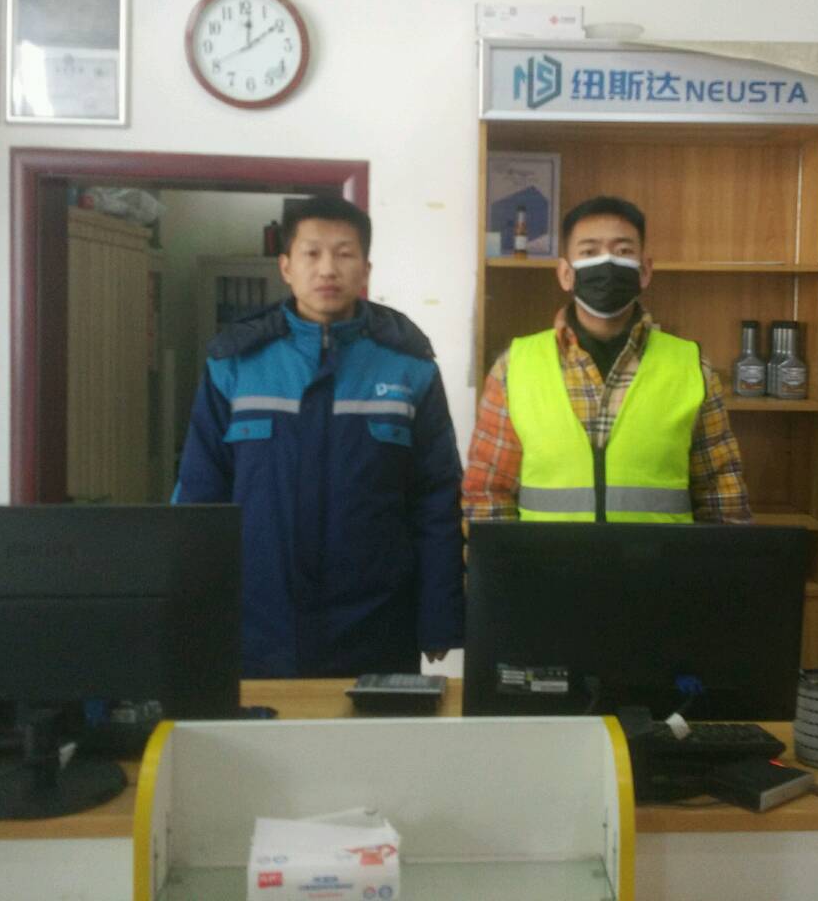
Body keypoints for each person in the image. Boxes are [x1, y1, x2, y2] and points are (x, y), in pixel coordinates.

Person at [174, 195, 464, 677]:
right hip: (257, 618)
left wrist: (439, 615)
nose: (327, 268)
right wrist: (191, 612)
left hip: (378, 619)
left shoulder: (409, 367)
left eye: (344, 254)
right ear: (286, 266)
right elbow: (199, 496)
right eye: (311, 253)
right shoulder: (236, 364)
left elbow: (436, 500)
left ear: (365, 269)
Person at [463, 195, 752, 524]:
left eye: (623, 251)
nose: (607, 263)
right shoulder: (514, 367)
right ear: (566, 274)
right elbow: (487, 493)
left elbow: (722, 496)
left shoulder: (691, 367)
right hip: (547, 559)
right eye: (589, 252)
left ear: (644, 271)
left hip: (658, 559)